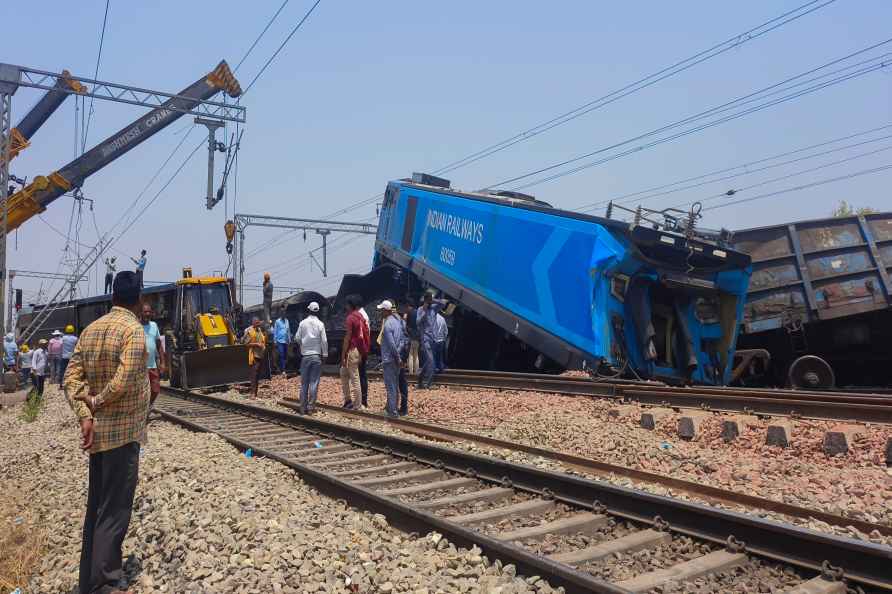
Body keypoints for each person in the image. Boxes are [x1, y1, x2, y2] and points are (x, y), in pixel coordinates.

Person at [63, 270, 149, 594]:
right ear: (138, 300)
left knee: (97, 506)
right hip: (123, 433)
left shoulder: (91, 330)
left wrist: (86, 414)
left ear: (113, 297)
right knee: (115, 509)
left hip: (98, 434)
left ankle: (89, 579)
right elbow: (126, 379)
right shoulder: (133, 332)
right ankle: (105, 580)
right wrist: (97, 401)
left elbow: (71, 379)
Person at [296, 301, 327, 414]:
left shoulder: (302, 323)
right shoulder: (321, 324)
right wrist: (325, 354)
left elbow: (297, 338)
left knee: (304, 383)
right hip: (316, 356)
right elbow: (324, 341)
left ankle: (302, 408)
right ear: (317, 311)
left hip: (305, 356)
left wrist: (302, 346)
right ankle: (310, 408)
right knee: (314, 382)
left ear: (308, 310)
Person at [378, 300, 407, 418]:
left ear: (386, 311)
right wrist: (399, 356)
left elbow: (391, 344)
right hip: (395, 358)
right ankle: (393, 409)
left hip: (389, 359)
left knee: (390, 386)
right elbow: (401, 342)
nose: (380, 312)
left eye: (381, 310)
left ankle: (392, 412)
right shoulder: (398, 322)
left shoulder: (388, 325)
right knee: (395, 385)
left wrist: (398, 358)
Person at [339, 295, 369, 410]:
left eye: (347, 304)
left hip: (351, 350)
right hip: (358, 350)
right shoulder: (361, 316)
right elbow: (362, 336)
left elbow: (348, 337)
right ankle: (348, 401)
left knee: (354, 377)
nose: (346, 307)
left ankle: (357, 405)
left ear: (351, 305)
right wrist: (362, 353)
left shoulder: (350, 318)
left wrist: (343, 355)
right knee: (343, 372)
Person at [416, 292, 446, 389]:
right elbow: (418, 322)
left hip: (434, 339)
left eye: (430, 300)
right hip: (425, 338)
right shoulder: (420, 309)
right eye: (427, 300)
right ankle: (429, 384)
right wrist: (424, 312)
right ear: (424, 300)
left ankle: (420, 379)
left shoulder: (434, 308)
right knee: (431, 361)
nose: (429, 302)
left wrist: (433, 300)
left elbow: (443, 304)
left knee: (428, 361)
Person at [140, 304, 165, 407]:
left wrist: (163, 362)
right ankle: (143, 410)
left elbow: (159, 345)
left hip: (152, 365)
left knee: (155, 389)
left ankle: (148, 407)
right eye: (145, 312)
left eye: (149, 312)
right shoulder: (136, 326)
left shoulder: (154, 325)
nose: (147, 314)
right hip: (140, 367)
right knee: (141, 392)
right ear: (141, 313)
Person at [243, 317, 266, 398]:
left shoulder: (259, 330)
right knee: (254, 374)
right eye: (256, 323)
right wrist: (256, 344)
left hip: (260, 354)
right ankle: (253, 393)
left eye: (258, 322)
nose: (258, 324)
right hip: (254, 355)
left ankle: (255, 392)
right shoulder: (249, 331)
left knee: (258, 374)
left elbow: (263, 339)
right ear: (253, 323)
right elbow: (246, 344)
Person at [356, 299, 371, 409]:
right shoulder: (363, 314)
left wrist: (360, 352)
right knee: (362, 375)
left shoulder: (360, 316)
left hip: (361, 349)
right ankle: (363, 400)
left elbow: (361, 336)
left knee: (360, 375)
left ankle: (362, 401)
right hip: (364, 347)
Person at [273, 309, 291, 375]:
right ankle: (283, 369)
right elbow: (275, 331)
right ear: (280, 314)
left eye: (284, 314)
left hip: (286, 340)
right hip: (279, 340)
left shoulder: (287, 321)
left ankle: (282, 367)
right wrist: (275, 341)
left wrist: (289, 339)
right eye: (282, 314)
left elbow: (288, 330)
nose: (284, 315)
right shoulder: (277, 321)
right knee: (281, 354)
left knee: (286, 355)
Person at [405, 304, 420, 376]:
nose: (406, 308)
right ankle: (416, 371)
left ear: (410, 306)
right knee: (416, 355)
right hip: (417, 336)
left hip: (411, 336)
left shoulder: (410, 313)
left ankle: (411, 372)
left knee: (410, 354)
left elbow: (407, 325)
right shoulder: (418, 312)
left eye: (407, 307)